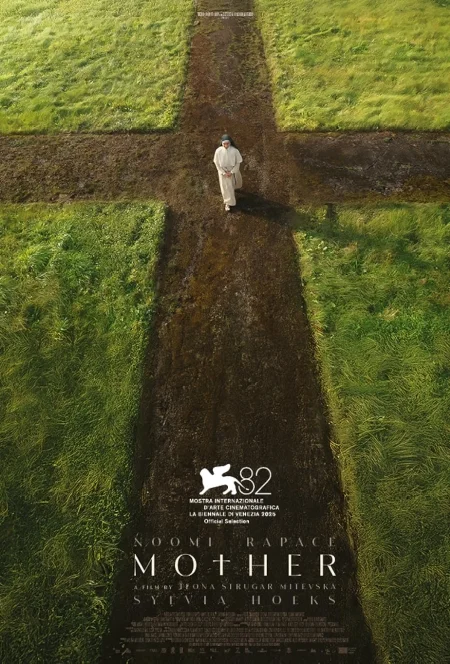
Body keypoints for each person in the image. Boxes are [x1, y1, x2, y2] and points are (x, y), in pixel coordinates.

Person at [213, 134, 243, 212]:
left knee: (234, 184)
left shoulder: (235, 151)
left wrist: (232, 172)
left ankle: (234, 189)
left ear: (230, 143)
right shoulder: (218, 151)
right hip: (223, 173)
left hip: (232, 171)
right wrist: (223, 173)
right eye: (224, 144)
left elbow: (238, 163)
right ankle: (228, 203)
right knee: (225, 188)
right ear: (222, 143)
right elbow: (217, 163)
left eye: (227, 143)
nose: (226, 145)